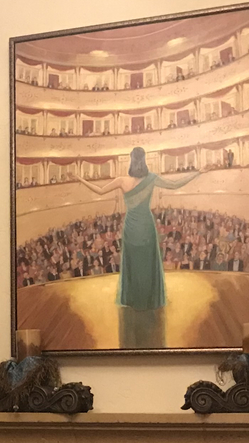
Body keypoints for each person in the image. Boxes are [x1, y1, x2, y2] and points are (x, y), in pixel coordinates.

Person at [74, 148, 202, 348]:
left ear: (131, 161)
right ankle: (149, 299)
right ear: (144, 161)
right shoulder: (151, 178)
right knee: (148, 264)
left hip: (131, 228)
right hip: (146, 227)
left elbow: (99, 190)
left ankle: (133, 298)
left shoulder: (121, 181)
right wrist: (198, 173)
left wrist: (80, 179)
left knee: (133, 265)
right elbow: (175, 184)